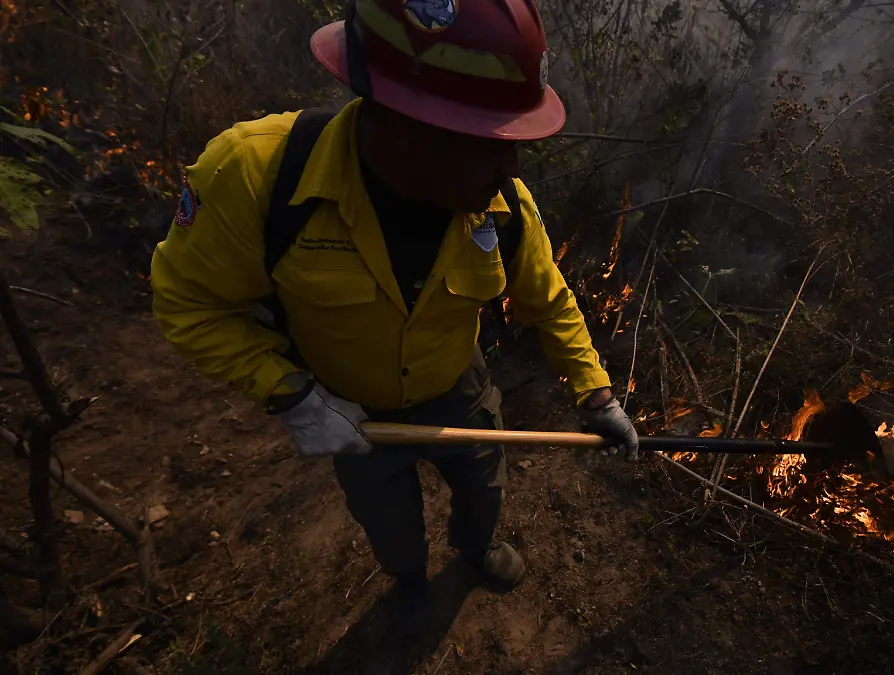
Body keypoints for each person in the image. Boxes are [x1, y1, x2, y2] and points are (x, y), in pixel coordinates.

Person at [148, 0, 638, 625]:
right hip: (349, 408)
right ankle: (408, 581)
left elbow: (550, 301)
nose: (512, 169)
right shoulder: (256, 177)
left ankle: (476, 547)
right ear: (403, 125)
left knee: (482, 485)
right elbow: (189, 304)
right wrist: (293, 395)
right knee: (386, 514)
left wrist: (596, 395)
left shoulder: (503, 205)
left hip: (457, 386)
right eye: (487, 141)